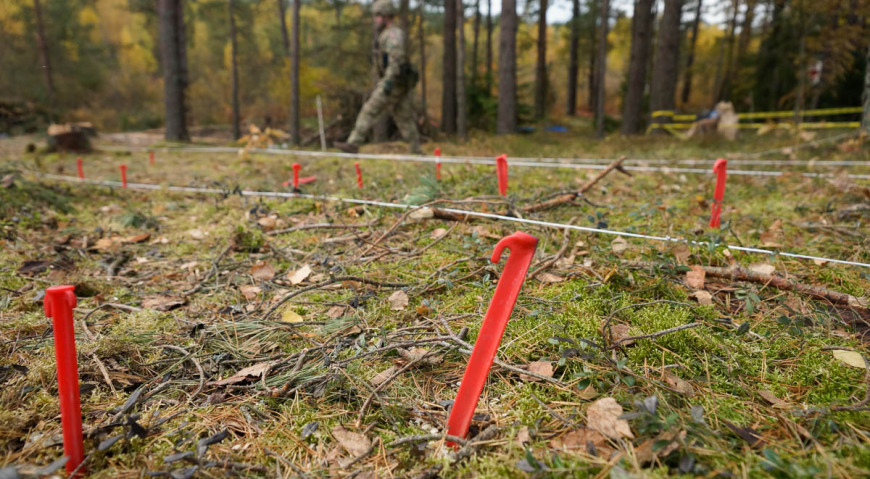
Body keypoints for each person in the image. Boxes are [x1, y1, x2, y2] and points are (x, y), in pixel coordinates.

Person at [335, 0, 421, 154]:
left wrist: (387, 83)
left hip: (393, 82)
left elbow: (397, 61)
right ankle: (416, 151)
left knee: (369, 110)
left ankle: (353, 143)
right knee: (404, 117)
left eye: (377, 16)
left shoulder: (393, 35)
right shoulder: (388, 35)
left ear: (386, 16)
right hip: (398, 82)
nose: (375, 20)